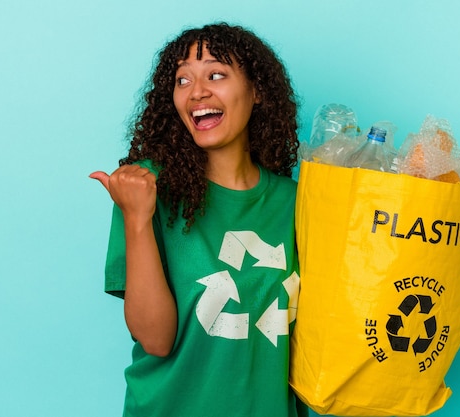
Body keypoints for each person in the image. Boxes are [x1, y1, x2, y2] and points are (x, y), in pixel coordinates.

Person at [90, 22, 307, 417]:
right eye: (182, 80)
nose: (197, 91)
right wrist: (138, 219)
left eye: (216, 74)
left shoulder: (299, 202)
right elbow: (155, 341)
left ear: (257, 91)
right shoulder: (146, 189)